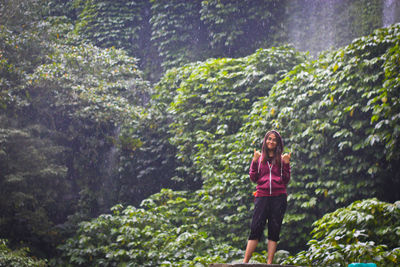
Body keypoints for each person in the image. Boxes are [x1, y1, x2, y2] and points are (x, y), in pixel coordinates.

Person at [243, 130, 291, 264]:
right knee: (256, 227)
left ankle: (269, 263)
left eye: (274, 140)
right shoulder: (259, 158)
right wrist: (254, 160)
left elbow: (286, 180)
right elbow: (253, 177)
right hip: (262, 196)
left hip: (279, 197)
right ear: (265, 141)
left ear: (278, 143)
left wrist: (286, 164)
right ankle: (245, 262)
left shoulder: (282, 159)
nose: (271, 141)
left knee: (274, 229)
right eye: (269, 139)